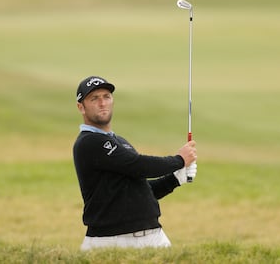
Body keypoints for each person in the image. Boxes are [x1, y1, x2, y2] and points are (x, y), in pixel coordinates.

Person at [73, 76, 198, 250]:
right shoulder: (89, 142)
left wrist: (174, 179)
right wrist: (179, 160)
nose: (102, 103)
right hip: (110, 241)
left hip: (153, 238)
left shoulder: (119, 141)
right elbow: (138, 165)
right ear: (81, 107)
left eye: (106, 97)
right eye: (94, 98)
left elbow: (140, 191)